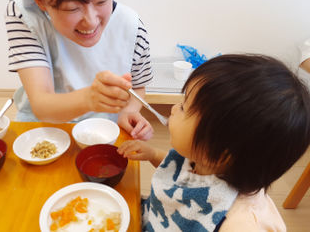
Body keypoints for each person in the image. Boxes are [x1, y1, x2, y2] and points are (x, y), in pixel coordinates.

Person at [118, 54, 310, 231]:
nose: (174, 108)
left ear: (219, 154)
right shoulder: (204, 158)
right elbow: (178, 170)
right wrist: (152, 154)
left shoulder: (238, 224)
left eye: (184, 107)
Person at [5, 0, 153, 140]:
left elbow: (138, 86)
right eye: (72, 8)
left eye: (101, 1)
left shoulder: (131, 26)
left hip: (103, 131)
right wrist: (89, 98)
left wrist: (129, 111)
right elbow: (42, 104)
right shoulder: (24, 15)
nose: (91, 21)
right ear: (40, 0)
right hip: (41, 129)